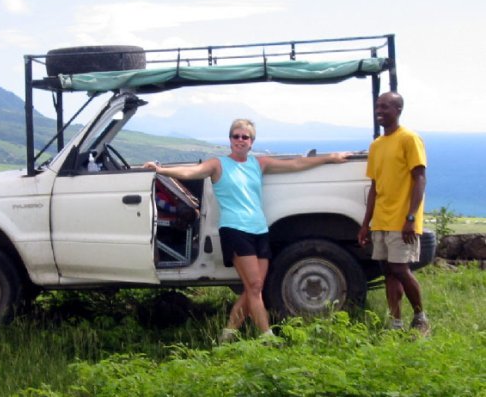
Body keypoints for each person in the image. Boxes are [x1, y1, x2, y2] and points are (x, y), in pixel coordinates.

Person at [144, 118, 350, 342]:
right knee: (253, 286)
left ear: (252, 142)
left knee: (255, 287)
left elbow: (296, 164)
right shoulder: (218, 164)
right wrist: (161, 170)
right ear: (230, 140)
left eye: (245, 137)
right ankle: (267, 337)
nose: (240, 140)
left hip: (260, 230)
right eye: (236, 136)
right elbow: (192, 171)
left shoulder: (258, 164)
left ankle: (228, 334)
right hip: (234, 230)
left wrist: (330, 157)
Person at [357, 92, 430, 335]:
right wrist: (366, 223)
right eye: (378, 106)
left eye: (385, 106)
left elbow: (419, 178)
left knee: (400, 269)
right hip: (381, 220)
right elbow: (375, 188)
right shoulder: (377, 145)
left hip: (403, 220)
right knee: (388, 272)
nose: (380, 110)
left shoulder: (409, 138)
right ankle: (395, 322)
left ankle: (421, 318)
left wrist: (411, 217)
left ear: (398, 109)